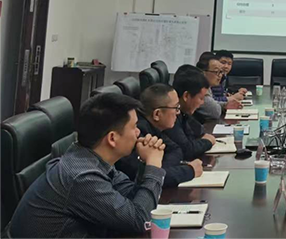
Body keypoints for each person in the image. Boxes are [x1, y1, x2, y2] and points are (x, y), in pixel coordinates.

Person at [3, 93, 166, 239]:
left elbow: (131, 200)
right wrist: (154, 165)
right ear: (112, 138)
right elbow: (141, 221)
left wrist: (146, 164)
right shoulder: (81, 176)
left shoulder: (91, 159)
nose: (138, 133)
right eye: (134, 127)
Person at [116, 84, 202, 187]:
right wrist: (189, 171)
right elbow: (145, 178)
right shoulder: (138, 133)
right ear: (157, 114)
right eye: (176, 108)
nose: (178, 112)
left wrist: (157, 166)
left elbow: (175, 150)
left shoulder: (155, 127)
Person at [165, 66, 217, 160]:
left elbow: (197, 132)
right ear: (186, 96)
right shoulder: (171, 114)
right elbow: (187, 150)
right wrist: (208, 141)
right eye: (201, 98)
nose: (202, 103)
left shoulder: (183, 112)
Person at [194, 53, 243, 123]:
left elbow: (214, 103)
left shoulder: (207, 86)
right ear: (203, 73)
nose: (220, 75)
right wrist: (225, 103)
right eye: (216, 72)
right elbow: (215, 112)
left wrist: (224, 105)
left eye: (221, 72)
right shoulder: (199, 89)